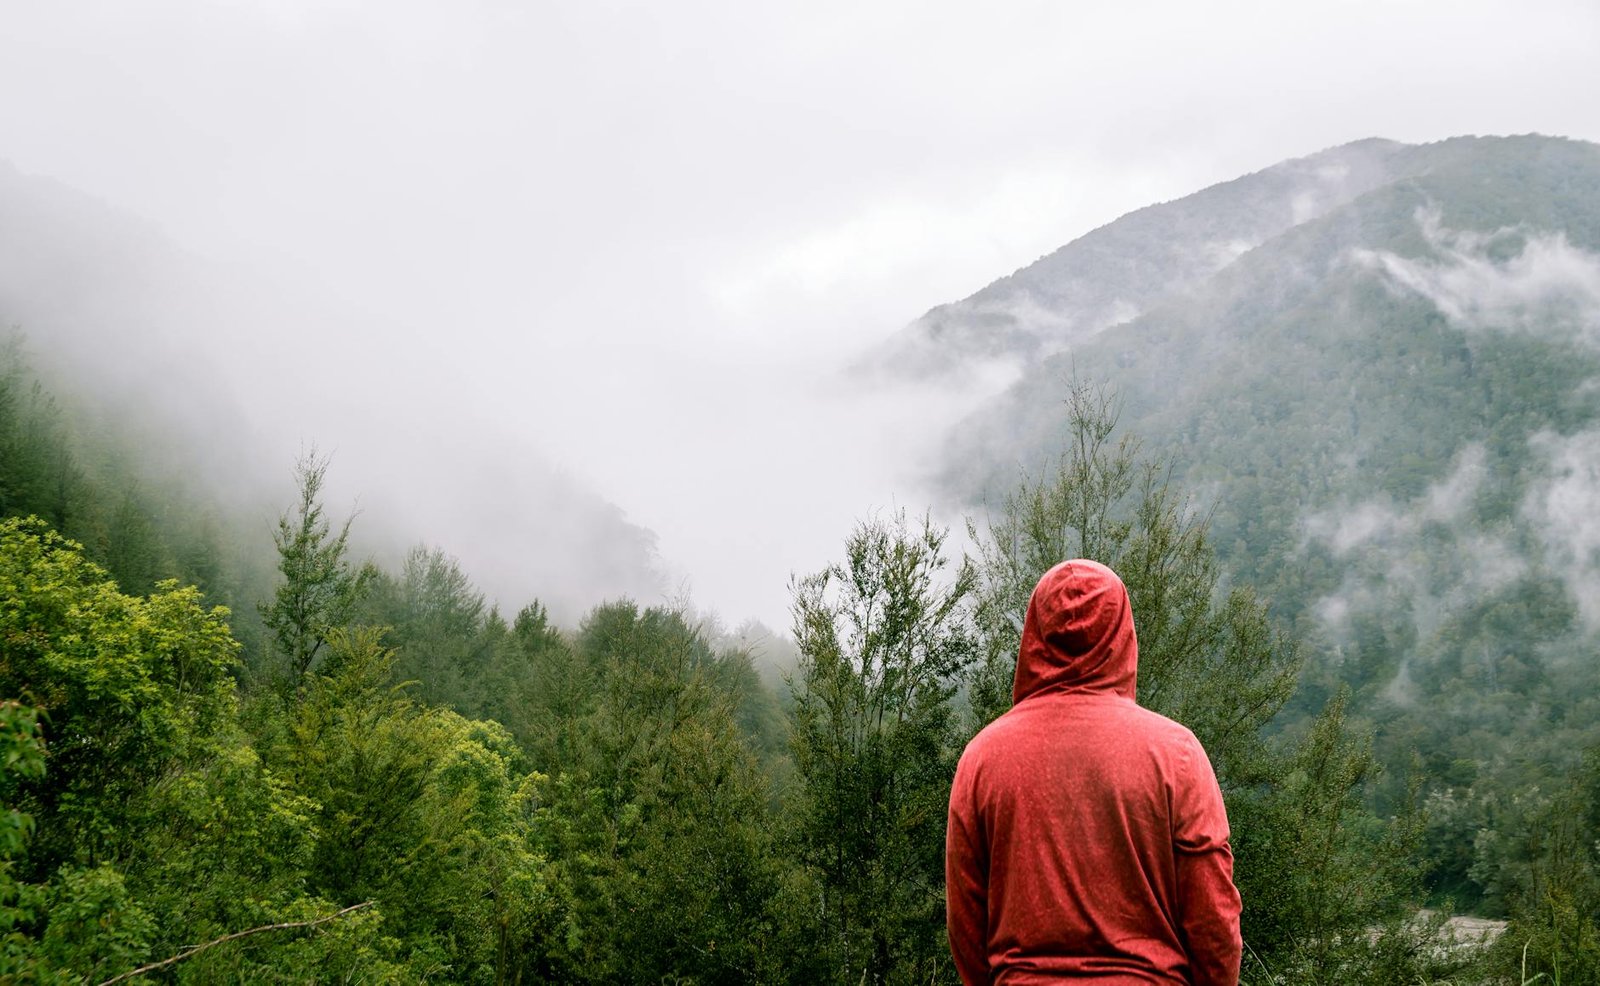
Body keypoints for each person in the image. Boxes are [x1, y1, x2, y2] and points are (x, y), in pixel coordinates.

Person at [946, 559, 1242, 985]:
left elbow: (966, 923)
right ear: (1121, 634)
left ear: (1035, 634)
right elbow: (1213, 918)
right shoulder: (1176, 753)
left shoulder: (982, 758)